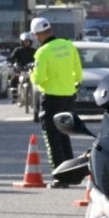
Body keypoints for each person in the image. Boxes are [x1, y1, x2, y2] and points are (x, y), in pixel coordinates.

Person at [29, 17, 82, 184]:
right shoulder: (68, 45)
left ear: (38, 35)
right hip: (68, 97)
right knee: (64, 135)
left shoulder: (43, 52)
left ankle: (60, 177)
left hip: (51, 98)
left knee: (52, 138)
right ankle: (72, 173)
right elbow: (78, 73)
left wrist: (31, 73)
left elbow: (38, 79)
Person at [8, 32, 36, 104]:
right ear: (22, 42)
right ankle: (15, 97)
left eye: (28, 41)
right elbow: (12, 58)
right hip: (20, 70)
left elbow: (37, 59)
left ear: (31, 42)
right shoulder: (18, 50)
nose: (26, 43)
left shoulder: (34, 51)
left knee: (37, 82)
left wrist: (35, 65)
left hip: (30, 70)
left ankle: (36, 97)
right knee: (13, 80)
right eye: (25, 41)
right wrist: (11, 63)